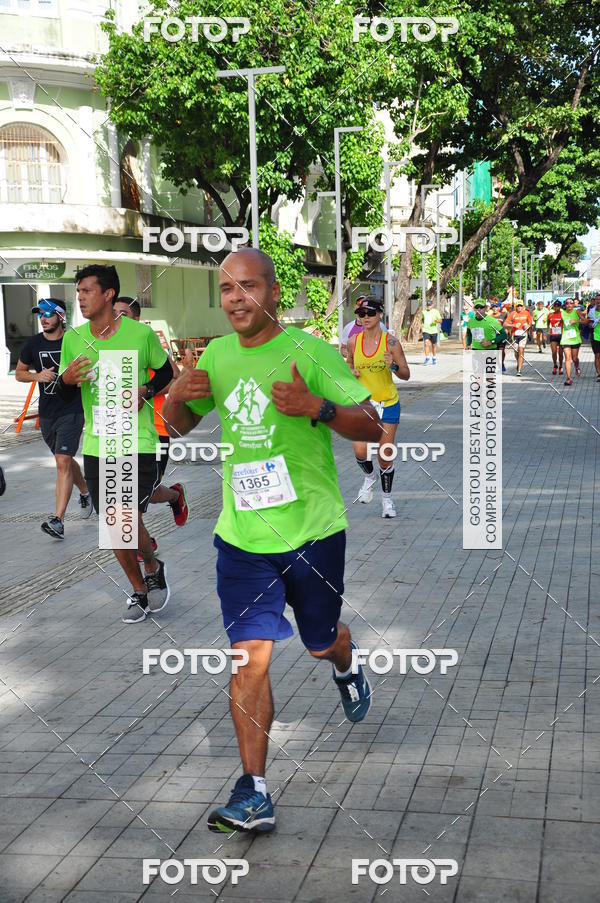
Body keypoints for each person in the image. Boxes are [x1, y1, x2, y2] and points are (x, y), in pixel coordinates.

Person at [162, 248, 382, 834]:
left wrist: (318, 407)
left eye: (248, 286)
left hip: (312, 532)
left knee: (317, 643)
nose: (236, 298)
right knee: (248, 662)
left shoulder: (308, 350)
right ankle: (254, 791)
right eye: (227, 288)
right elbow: (179, 426)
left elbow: (372, 424)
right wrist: (176, 396)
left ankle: (345, 658)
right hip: (241, 538)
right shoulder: (217, 352)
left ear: (275, 292)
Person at [57, 265, 174, 622]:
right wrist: (65, 379)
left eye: (87, 291)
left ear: (108, 294)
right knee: (114, 525)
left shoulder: (140, 335)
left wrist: (147, 390)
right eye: (78, 292)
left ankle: (151, 564)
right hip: (97, 442)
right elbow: (63, 390)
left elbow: (166, 371)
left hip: (137, 439)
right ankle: (141, 587)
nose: (80, 298)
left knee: (124, 515)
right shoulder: (73, 339)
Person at [113, 297, 188, 561]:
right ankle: (147, 538)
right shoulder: (111, 349)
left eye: (122, 314)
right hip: (121, 434)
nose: (116, 319)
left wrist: (146, 391)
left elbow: (175, 379)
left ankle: (172, 499)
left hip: (155, 431)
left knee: (139, 499)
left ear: (135, 319)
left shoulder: (149, 345)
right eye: (113, 314)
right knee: (134, 498)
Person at [16, 299, 92, 539]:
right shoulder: (33, 344)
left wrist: (83, 377)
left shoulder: (75, 340)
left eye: (48, 313)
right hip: (48, 413)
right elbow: (19, 373)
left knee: (62, 461)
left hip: (73, 409)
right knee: (65, 461)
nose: (43, 318)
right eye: (40, 314)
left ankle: (58, 520)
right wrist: (37, 376)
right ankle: (85, 489)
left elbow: (92, 367)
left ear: (61, 316)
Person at [346, 296, 410, 518]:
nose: (364, 318)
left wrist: (392, 365)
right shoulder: (353, 342)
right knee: (360, 452)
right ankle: (369, 477)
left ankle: (386, 500)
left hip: (387, 403)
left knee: (385, 455)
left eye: (370, 313)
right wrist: (351, 373)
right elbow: (349, 366)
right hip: (363, 404)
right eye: (361, 314)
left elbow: (406, 374)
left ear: (380, 314)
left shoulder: (391, 343)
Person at [560, 297, 586, 386]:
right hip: (565, 338)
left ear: (573, 304)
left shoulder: (577, 311)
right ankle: (569, 378)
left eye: (571, 303)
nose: (569, 305)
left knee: (574, 358)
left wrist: (577, 320)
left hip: (575, 338)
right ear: (565, 305)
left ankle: (577, 365)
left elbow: (585, 321)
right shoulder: (562, 313)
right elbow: (560, 322)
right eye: (567, 303)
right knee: (567, 358)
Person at [504, 300, 533, 376]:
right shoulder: (512, 314)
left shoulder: (526, 313)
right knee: (516, 352)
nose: (519, 307)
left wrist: (528, 326)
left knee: (521, 350)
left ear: (523, 306)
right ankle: (518, 362)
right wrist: (513, 325)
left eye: (521, 306)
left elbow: (530, 322)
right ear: (515, 306)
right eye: (518, 306)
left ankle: (519, 370)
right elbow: (505, 324)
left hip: (523, 335)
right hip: (515, 335)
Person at [422, 299, 442, 365]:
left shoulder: (436, 311)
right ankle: (427, 358)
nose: (428, 306)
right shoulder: (423, 312)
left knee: (434, 345)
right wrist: (422, 326)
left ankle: (434, 358)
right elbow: (422, 319)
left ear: (432, 305)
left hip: (433, 331)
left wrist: (435, 321)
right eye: (428, 305)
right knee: (426, 343)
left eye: (430, 305)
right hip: (426, 330)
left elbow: (440, 320)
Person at [547, 300, 564, 375]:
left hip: (561, 335)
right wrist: (548, 330)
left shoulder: (563, 314)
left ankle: (560, 366)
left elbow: (565, 322)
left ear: (560, 307)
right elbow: (548, 322)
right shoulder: (550, 314)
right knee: (554, 352)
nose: (556, 307)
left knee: (560, 353)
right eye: (555, 306)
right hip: (553, 335)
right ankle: (555, 365)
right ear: (553, 306)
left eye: (558, 306)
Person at [587, 294, 600, 382]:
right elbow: (588, 321)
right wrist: (590, 325)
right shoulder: (591, 311)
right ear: (595, 301)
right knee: (597, 355)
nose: (598, 301)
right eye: (597, 299)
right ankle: (599, 374)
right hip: (595, 336)